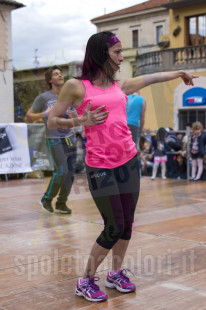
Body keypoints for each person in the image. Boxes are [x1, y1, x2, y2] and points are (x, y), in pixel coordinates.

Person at [48, 31, 198, 302]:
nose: (121, 57)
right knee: (114, 225)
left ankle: (115, 274)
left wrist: (179, 73)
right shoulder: (76, 86)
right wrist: (81, 121)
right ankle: (86, 279)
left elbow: (152, 78)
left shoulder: (120, 86)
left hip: (128, 162)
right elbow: (52, 122)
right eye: (116, 52)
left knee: (127, 224)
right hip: (99, 166)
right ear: (100, 54)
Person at [26, 65, 77, 214]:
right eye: (56, 74)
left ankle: (61, 203)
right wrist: (45, 113)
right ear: (50, 80)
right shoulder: (43, 98)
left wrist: (74, 118)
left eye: (61, 73)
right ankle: (46, 199)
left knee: (71, 172)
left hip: (68, 138)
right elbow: (28, 116)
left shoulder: (68, 97)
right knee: (61, 171)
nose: (60, 76)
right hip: (53, 138)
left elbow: (74, 116)